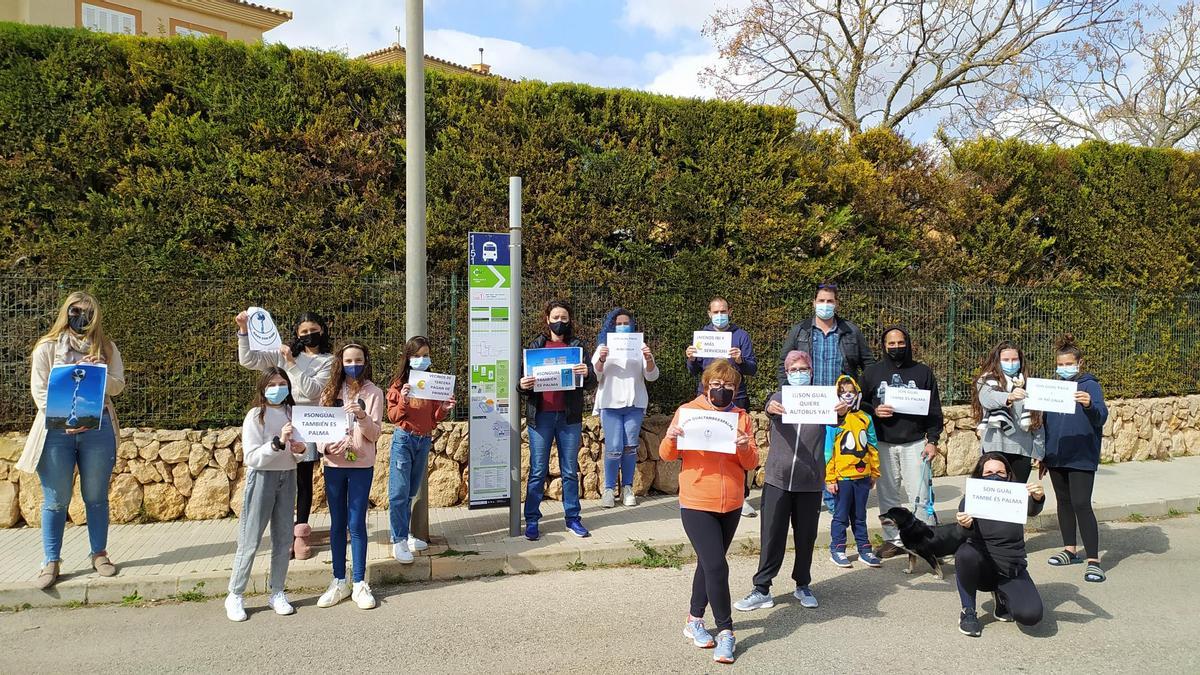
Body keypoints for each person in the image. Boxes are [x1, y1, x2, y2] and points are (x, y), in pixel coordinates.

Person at [18, 291, 125, 589]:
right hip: (55, 433)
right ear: (66, 312)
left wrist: (99, 370)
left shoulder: (107, 347)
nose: (81, 316)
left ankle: (100, 554)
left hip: (98, 428)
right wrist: (67, 418)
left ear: (96, 316)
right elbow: (39, 392)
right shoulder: (47, 347)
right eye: (75, 310)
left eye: (87, 312)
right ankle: (51, 561)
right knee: (55, 500)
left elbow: (118, 386)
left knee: (96, 497)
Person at [660, 361, 759, 665]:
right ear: (706, 386)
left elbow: (751, 461)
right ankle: (727, 632)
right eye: (716, 384)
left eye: (729, 385)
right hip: (696, 501)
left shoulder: (741, 418)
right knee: (717, 566)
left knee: (708, 563)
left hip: (730, 503)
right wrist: (672, 437)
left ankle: (693, 620)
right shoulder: (688, 411)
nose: (722, 389)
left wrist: (743, 446)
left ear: (736, 389)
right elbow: (667, 454)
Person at [236, 310, 333, 560]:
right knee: (281, 479)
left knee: (302, 479)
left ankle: (300, 532)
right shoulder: (286, 353)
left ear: (322, 330)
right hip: (283, 418)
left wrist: (290, 364)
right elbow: (248, 360)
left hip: (308, 421)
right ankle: (283, 533)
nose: (309, 335)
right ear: (297, 334)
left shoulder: (329, 361)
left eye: (313, 330)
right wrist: (244, 332)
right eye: (304, 332)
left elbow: (312, 391)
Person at [734, 351, 825, 613]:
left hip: (810, 481)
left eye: (803, 368)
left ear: (811, 371)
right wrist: (769, 407)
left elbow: (837, 416)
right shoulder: (778, 397)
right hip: (778, 479)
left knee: (806, 536)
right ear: (787, 373)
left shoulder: (820, 398)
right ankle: (762, 588)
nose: (799, 373)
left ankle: (803, 584)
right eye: (794, 369)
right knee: (771, 535)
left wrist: (841, 410)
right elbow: (769, 408)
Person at [777, 283, 874, 514]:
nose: (825, 305)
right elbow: (784, 364)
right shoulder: (800, 331)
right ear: (814, 303)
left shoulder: (850, 331)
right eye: (821, 301)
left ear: (836, 304)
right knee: (812, 453)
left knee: (837, 453)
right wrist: (788, 393)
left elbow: (867, 363)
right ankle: (811, 499)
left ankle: (835, 505)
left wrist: (858, 394)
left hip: (839, 407)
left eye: (830, 301)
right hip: (809, 404)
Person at [225, 368, 306, 622]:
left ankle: (277, 592)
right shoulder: (255, 416)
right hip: (262, 478)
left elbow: (300, 451)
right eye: (273, 383)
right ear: (263, 387)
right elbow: (251, 457)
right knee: (250, 539)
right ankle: (235, 594)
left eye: (283, 383)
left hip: (288, 476)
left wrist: (300, 449)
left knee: (283, 540)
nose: (278, 388)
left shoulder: (292, 413)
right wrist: (277, 443)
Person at [860, 325, 943, 560]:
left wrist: (933, 440)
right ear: (884, 346)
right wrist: (875, 410)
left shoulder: (922, 372)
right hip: (884, 444)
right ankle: (893, 541)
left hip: (915, 443)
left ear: (907, 343)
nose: (896, 347)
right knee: (888, 496)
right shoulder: (872, 373)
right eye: (891, 343)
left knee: (919, 495)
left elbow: (934, 409)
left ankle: (928, 540)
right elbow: (859, 401)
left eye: (900, 343)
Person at [517, 300, 597, 541]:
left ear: (569, 320)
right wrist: (521, 385)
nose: (559, 322)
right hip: (540, 417)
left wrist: (588, 374)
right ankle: (532, 520)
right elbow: (522, 382)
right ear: (547, 319)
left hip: (568, 417)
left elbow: (591, 382)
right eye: (555, 317)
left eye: (564, 318)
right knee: (538, 470)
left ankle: (573, 519)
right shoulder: (536, 346)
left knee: (570, 470)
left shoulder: (577, 347)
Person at [316, 343, 384, 610]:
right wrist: (326, 447)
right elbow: (318, 429)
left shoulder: (374, 392)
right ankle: (338, 580)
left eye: (358, 360)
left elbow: (375, 434)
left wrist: (362, 416)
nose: (353, 364)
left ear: (365, 361)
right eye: (348, 360)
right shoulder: (329, 392)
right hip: (334, 465)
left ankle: (358, 583)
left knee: (356, 523)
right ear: (340, 362)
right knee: (337, 524)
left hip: (361, 465)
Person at [1041, 333, 1109, 583]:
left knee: (1082, 503)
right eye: (1060, 364)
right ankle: (1070, 549)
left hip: (1082, 455)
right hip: (1056, 455)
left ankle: (1094, 560)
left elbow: (1101, 416)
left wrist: (1090, 404)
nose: (1064, 368)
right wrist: (1043, 456)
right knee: (1063, 503)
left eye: (1069, 364)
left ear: (1079, 363)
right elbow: (1045, 422)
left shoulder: (1090, 385)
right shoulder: (1052, 387)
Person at [954, 453, 1046, 637]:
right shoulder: (971, 498)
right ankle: (968, 611)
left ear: (1008, 474)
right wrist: (964, 525)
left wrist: (1038, 497)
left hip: (1011, 566)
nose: (994, 475)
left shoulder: (1016, 496)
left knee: (1031, 616)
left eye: (999, 472)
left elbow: (1033, 510)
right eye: (988, 472)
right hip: (983, 566)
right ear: (980, 475)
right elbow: (964, 534)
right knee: (965, 553)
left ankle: (1002, 597)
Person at [685, 296, 759, 517]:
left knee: (738, 446)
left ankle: (742, 497)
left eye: (723, 311)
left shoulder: (741, 335)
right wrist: (690, 358)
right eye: (716, 312)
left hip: (736, 399)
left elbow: (752, 368)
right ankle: (708, 492)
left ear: (730, 311)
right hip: (707, 400)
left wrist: (739, 361)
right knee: (708, 445)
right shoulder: (702, 336)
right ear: (709, 313)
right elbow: (693, 370)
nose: (720, 315)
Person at [386, 336, 455, 563]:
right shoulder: (398, 385)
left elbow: (434, 419)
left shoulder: (432, 384)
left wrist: (444, 408)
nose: (421, 359)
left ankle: (404, 535)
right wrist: (404, 399)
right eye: (416, 356)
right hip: (404, 440)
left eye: (425, 355)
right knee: (399, 492)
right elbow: (393, 416)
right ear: (408, 358)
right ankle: (398, 540)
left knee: (410, 492)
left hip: (423, 440)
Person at [592, 307, 659, 508]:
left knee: (630, 447)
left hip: (634, 404)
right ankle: (609, 489)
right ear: (611, 326)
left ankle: (628, 489)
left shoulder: (640, 346)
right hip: (610, 405)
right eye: (618, 324)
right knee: (613, 448)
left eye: (625, 324)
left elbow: (652, 376)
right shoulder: (603, 347)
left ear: (632, 326)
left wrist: (648, 359)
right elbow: (595, 376)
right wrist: (602, 359)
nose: (622, 327)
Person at [825, 375, 881, 569]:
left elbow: (872, 445)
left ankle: (865, 549)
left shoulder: (865, 418)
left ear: (857, 393)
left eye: (851, 392)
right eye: (843, 392)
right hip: (842, 478)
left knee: (860, 515)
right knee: (840, 515)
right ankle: (837, 548)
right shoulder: (833, 420)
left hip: (863, 477)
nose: (847, 396)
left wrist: (874, 471)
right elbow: (828, 451)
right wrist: (830, 478)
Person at [971, 341, 1045, 482]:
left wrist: (1039, 451)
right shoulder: (986, 379)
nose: (1010, 363)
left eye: (1014, 359)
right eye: (1005, 360)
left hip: (1023, 450)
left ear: (1020, 360)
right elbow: (987, 399)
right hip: (994, 447)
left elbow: (1038, 420)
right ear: (997, 361)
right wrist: (1009, 396)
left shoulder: (1031, 384)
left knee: (1016, 496)